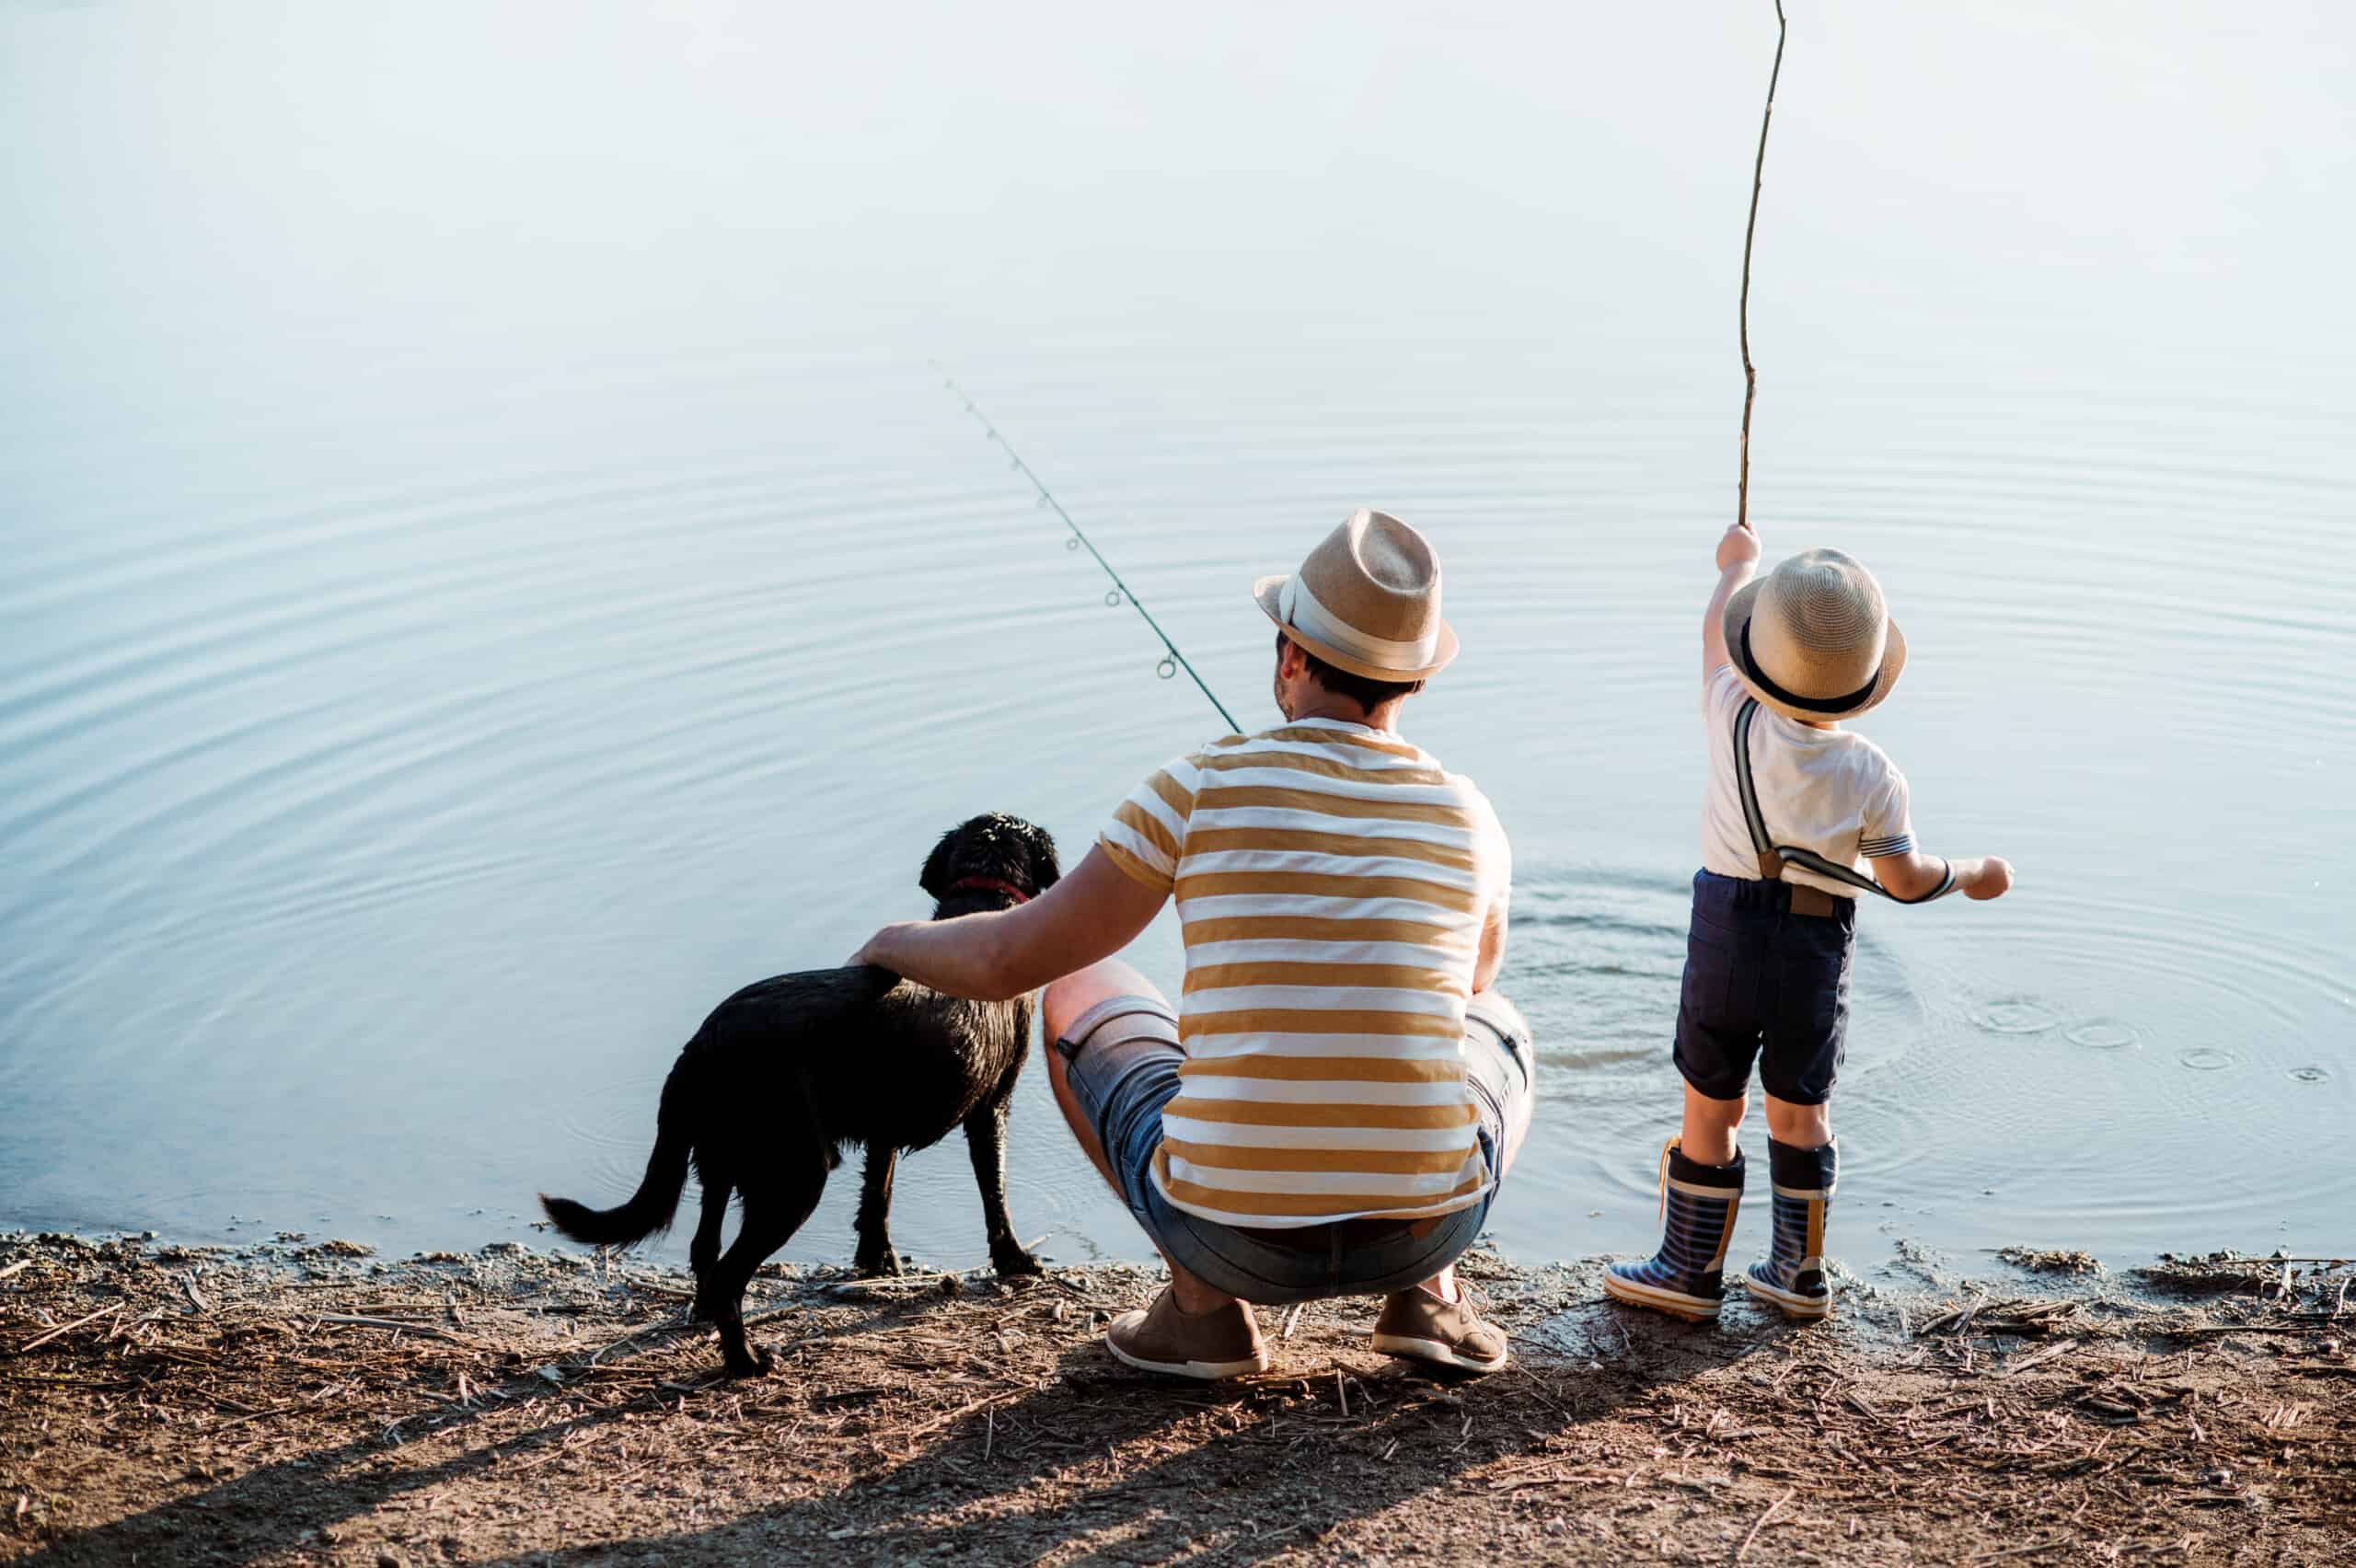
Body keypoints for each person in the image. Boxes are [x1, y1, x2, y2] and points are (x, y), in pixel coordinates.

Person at [851, 509, 1530, 1378]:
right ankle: (1428, 1299)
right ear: (1412, 681)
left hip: (1224, 1236)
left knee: (1076, 986)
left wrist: (890, 942)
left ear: (1291, 656)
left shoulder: (1199, 783)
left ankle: (1203, 1313)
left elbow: (1005, 963)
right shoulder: (1469, 813)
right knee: (1496, 1021)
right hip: (1425, 1225)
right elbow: (1472, 981)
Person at [1603, 522, 2013, 1323]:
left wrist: (1738, 565)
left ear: (1759, 654)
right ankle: (1797, 1277)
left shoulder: (1731, 712)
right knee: (1800, 1108)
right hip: (1816, 945)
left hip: (1724, 931)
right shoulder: (1871, 773)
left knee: (1709, 1103)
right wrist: (1973, 877)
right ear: (1862, 681)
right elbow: (1904, 879)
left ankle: (1688, 1274)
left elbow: (1710, 640)